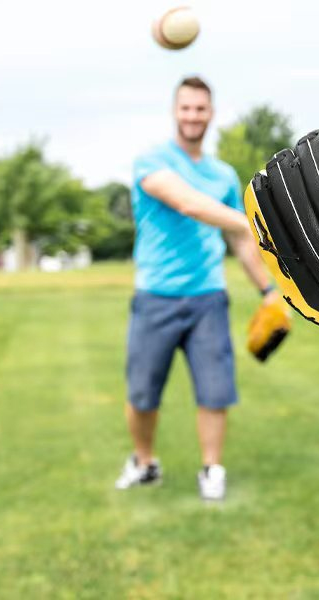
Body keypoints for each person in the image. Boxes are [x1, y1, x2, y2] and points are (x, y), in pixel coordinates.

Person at [115, 76, 277, 501]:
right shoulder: (151, 162)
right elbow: (188, 203)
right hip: (156, 296)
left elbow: (238, 242)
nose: (192, 116)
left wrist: (268, 289)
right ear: (175, 112)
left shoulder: (222, 174)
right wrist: (254, 221)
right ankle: (145, 462)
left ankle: (211, 469)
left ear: (211, 113)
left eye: (200, 109)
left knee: (214, 390)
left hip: (208, 296)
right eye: (186, 108)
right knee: (143, 395)